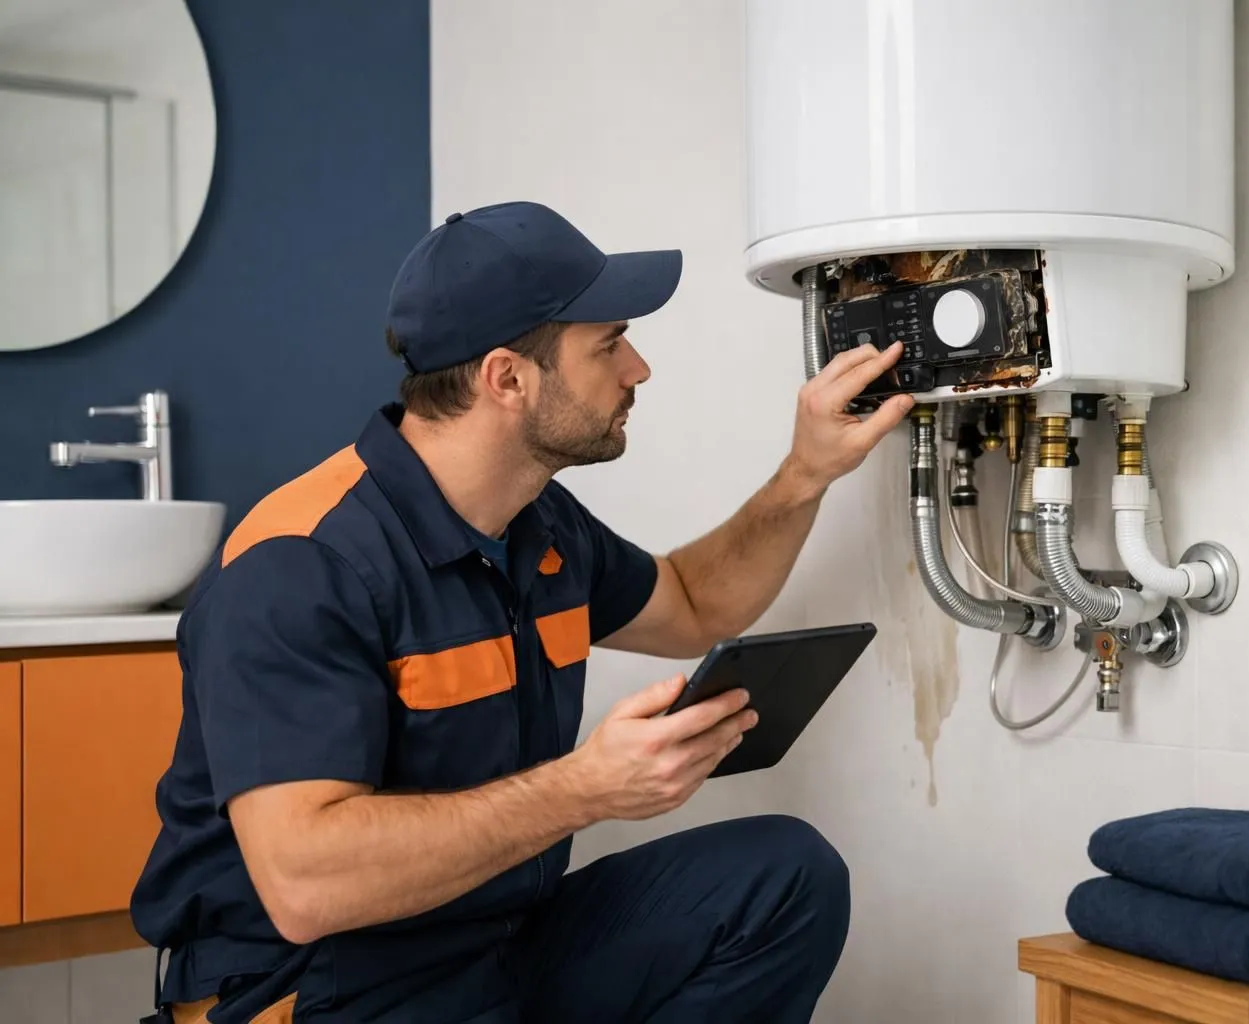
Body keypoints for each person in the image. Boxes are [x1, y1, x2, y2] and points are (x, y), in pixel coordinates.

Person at [130, 200, 915, 1024]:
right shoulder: (300, 564)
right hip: (320, 988)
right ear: (507, 377)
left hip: (490, 948)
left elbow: (693, 604)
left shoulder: (539, 522)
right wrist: (589, 787)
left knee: (784, 876)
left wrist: (805, 472)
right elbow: (304, 886)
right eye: (608, 344)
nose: (637, 368)